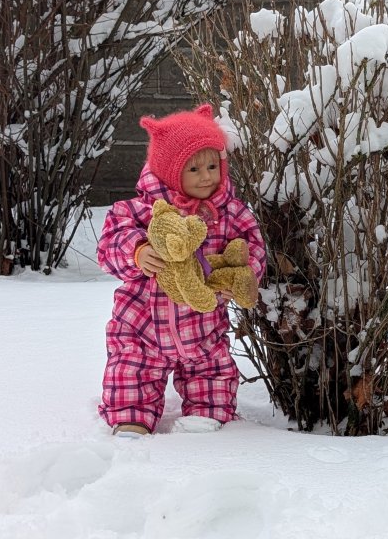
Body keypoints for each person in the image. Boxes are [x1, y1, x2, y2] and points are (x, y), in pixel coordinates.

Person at [96, 103, 266, 437]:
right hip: (142, 327)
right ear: (170, 171)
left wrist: (243, 276)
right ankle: (132, 418)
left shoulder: (230, 212)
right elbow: (110, 243)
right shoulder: (140, 211)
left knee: (213, 372)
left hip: (203, 327)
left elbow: (252, 246)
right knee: (131, 372)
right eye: (193, 169)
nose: (206, 176)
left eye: (212, 166)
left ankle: (205, 416)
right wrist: (138, 252)